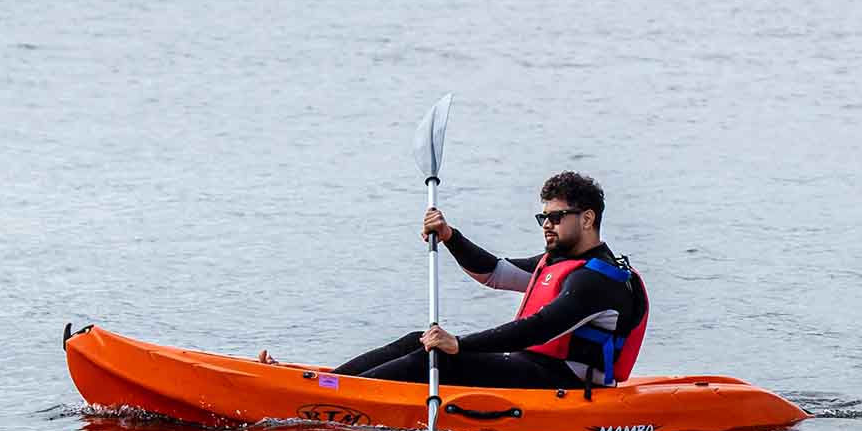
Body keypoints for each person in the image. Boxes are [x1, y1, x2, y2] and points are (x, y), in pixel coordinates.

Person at [278, 171, 649, 390]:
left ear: (586, 219)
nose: (546, 225)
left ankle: (332, 395)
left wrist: (460, 344)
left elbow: (536, 330)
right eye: (543, 217)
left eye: (555, 216)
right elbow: (494, 272)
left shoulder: (599, 281)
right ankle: (323, 385)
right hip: (532, 367)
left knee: (440, 355)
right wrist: (450, 235)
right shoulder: (560, 264)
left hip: (564, 383)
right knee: (418, 340)